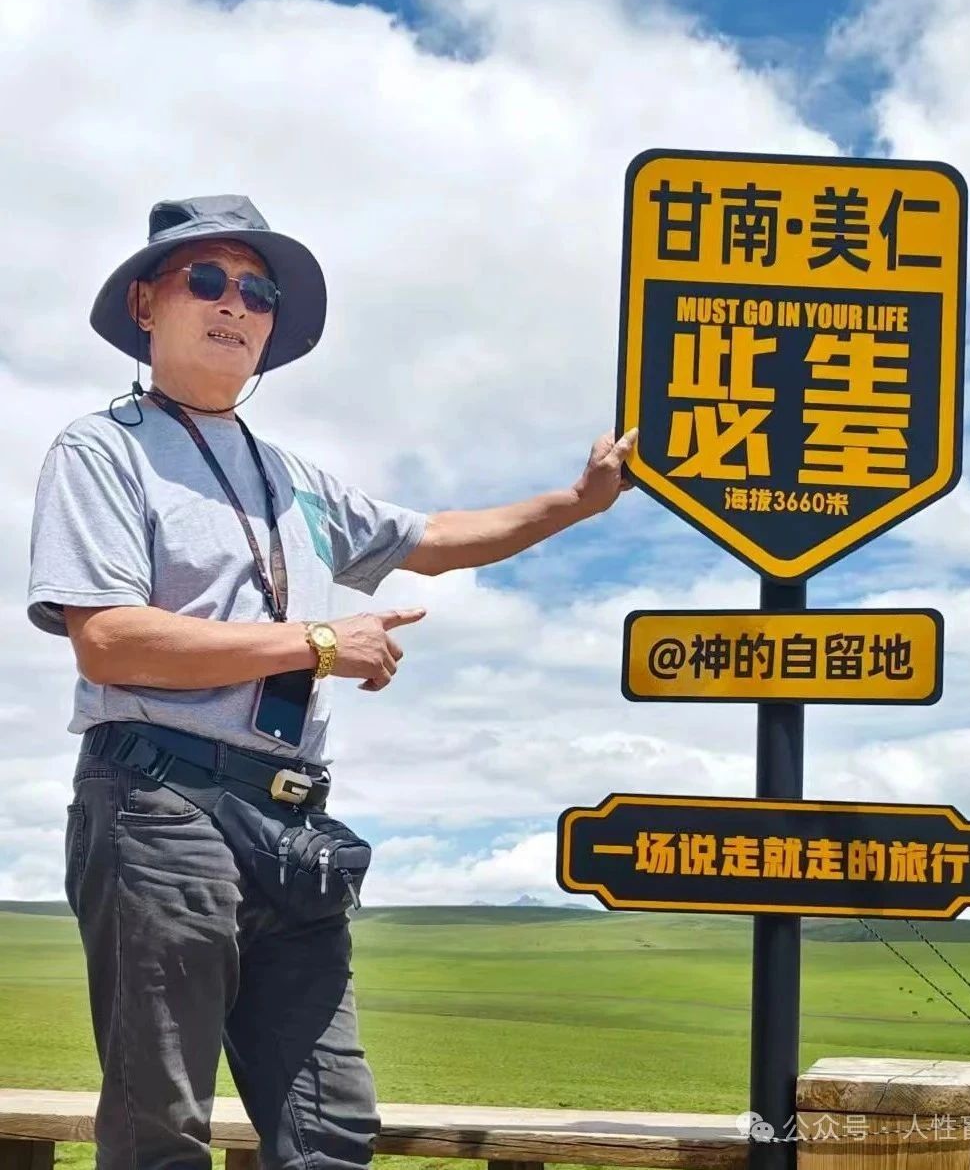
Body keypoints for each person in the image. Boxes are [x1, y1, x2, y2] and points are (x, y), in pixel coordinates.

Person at [26, 195, 637, 1170]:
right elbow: (109, 641)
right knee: (160, 1131)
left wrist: (576, 501)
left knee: (329, 1128)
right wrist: (316, 642)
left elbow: (433, 539)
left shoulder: (297, 480)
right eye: (208, 279)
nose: (236, 303)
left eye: (258, 291)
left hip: (292, 821)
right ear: (147, 304)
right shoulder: (104, 450)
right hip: (159, 802)